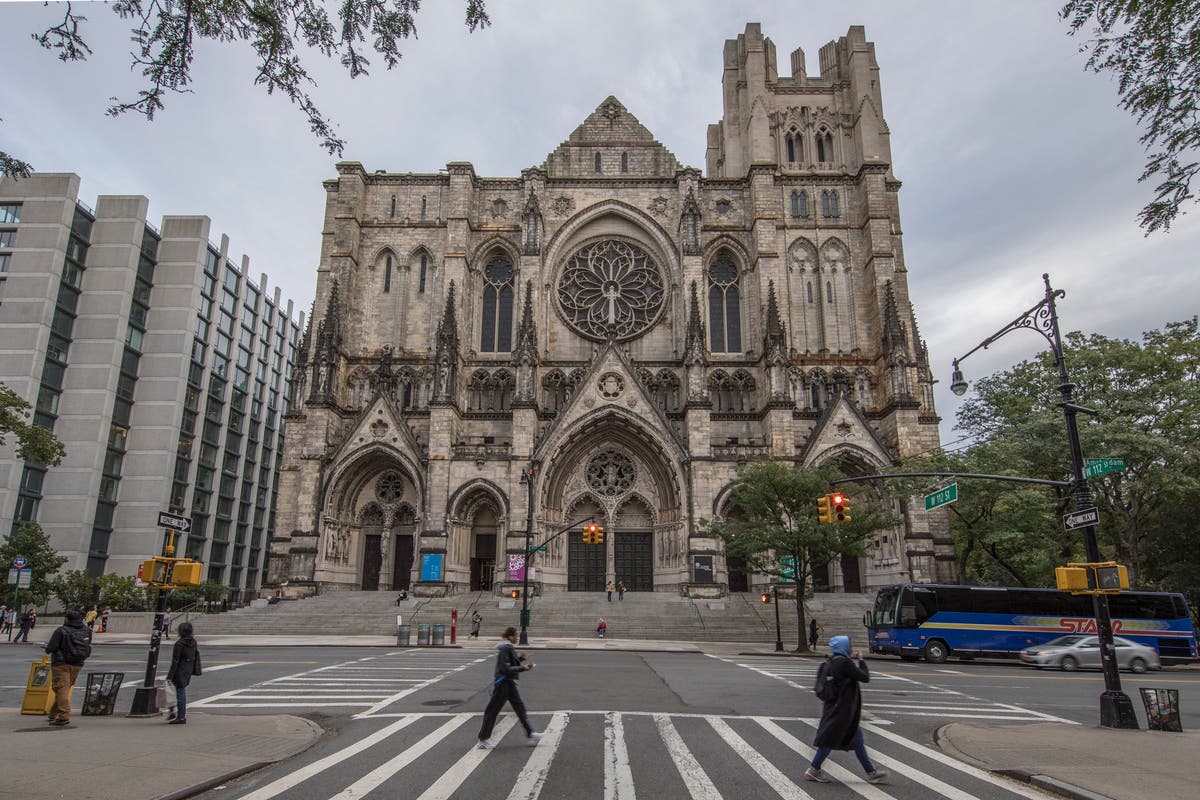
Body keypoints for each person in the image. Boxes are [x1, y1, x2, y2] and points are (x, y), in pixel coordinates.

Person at [804, 635, 888, 785]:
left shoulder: (830, 662)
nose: (850, 648)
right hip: (843, 711)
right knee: (829, 741)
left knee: (855, 740)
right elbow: (864, 677)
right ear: (843, 647)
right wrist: (861, 660)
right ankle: (813, 769)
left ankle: (871, 772)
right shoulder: (844, 663)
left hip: (834, 707)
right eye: (849, 645)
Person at [476, 626, 542, 749]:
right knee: (493, 711)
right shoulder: (505, 648)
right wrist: (523, 668)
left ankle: (530, 733)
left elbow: (510, 663)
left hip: (508, 682)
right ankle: (483, 739)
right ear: (510, 636)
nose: (517, 638)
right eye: (516, 635)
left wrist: (521, 659)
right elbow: (505, 668)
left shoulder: (508, 647)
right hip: (503, 683)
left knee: (519, 707)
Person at [45, 609, 92, 726]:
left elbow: (52, 647)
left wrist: (48, 649)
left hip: (61, 663)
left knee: (61, 688)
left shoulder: (61, 630)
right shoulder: (86, 630)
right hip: (78, 662)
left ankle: (64, 716)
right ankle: (53, 713)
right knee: (64, 688)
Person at [166, 621, 202, 724]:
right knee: (179, 691)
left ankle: (179, 716)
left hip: (179, 670)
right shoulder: (193, 642)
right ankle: (176, 713)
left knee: (176, 691)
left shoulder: (179, 643)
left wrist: (170, 675)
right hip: (188, 669)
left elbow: (175, 661)